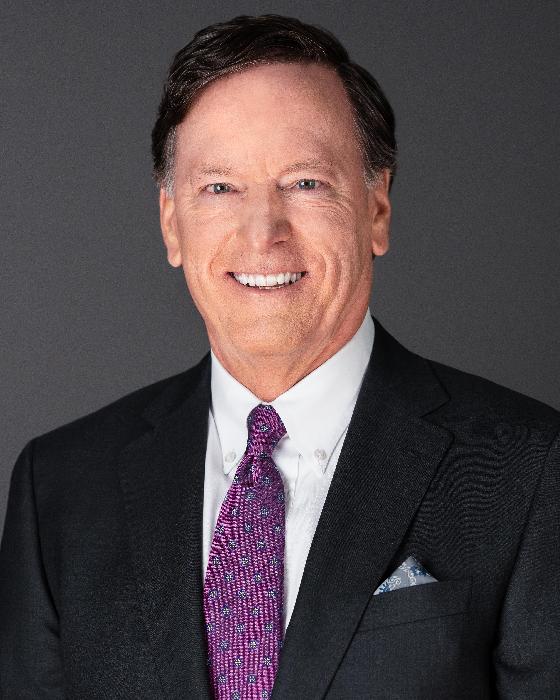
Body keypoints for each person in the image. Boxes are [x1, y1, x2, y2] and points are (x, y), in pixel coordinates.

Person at [1, 13, 558, 700]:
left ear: (377, 208)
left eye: (305, 183)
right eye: (220, 188)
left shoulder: (532, 470)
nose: (263, 233)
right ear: (172, 223)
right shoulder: (59, 488)